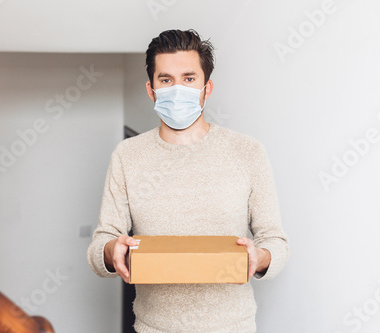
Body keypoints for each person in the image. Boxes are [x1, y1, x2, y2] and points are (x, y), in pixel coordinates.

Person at [87, 29, 289, 333]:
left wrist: (260, 257)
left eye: (189, 78)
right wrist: (111, 250)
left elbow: (275, 240)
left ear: (206, 89)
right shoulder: (128, 155)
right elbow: (101, 243)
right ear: (151, 89)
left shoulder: (247, 152)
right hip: (153, 327)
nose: (177, 88)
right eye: (166, 80)